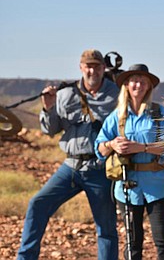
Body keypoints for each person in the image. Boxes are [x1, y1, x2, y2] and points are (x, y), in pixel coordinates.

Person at [17, 49, 120, 260]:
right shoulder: (65, 94)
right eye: (88, 66)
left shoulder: (117, 94)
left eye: (97, 66)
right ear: (81, 67)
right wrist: (48, 108)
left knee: (106, 226)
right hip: (71, 167)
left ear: (103, 68)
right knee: (37, 204)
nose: (92, 70)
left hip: (100, 168)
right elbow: (50, 130)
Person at [95, 64, 164, 260]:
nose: (138, 84)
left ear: (148, 86)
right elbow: (99, 148)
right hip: (127, 188)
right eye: (134, 80)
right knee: (132, 243)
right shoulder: (117, 116)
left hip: (158, 186)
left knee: (162, 240)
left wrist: (140, 148)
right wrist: (112, 144)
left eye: (142, 81)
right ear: (127, 85)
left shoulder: (158, 112)